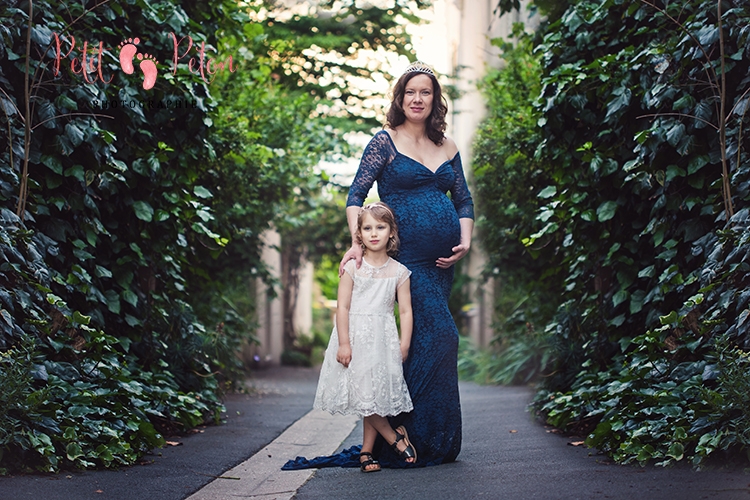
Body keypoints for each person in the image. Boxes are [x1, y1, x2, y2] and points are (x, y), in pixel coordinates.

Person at [339, 60, 474, 468]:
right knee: (441, 336)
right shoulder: (385, 141)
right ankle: (413, 434)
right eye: (411, 92)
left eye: (426, 92)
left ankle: (422, 435)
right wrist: (356, 243)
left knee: (418, 344)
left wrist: (465, 239)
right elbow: (355, 195)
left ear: (436, 101)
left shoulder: (447, 146)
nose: (418, 99)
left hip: (442, 264)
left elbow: (463, 199)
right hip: (405, 260)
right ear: (400, 98)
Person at [313, 202, 418, 472]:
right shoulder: (352, 268)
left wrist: (404, 343)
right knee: (362, 392)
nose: (374, 233)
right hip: (355, 338)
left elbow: (405, 311)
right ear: (359, 234)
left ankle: (366, 451)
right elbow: (343, 307)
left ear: (391, 232)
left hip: (382, 339)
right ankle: (395, 437)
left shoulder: (399, 271)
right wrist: (345, 343)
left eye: (380, 227)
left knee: (371, 394)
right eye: (367, 228)